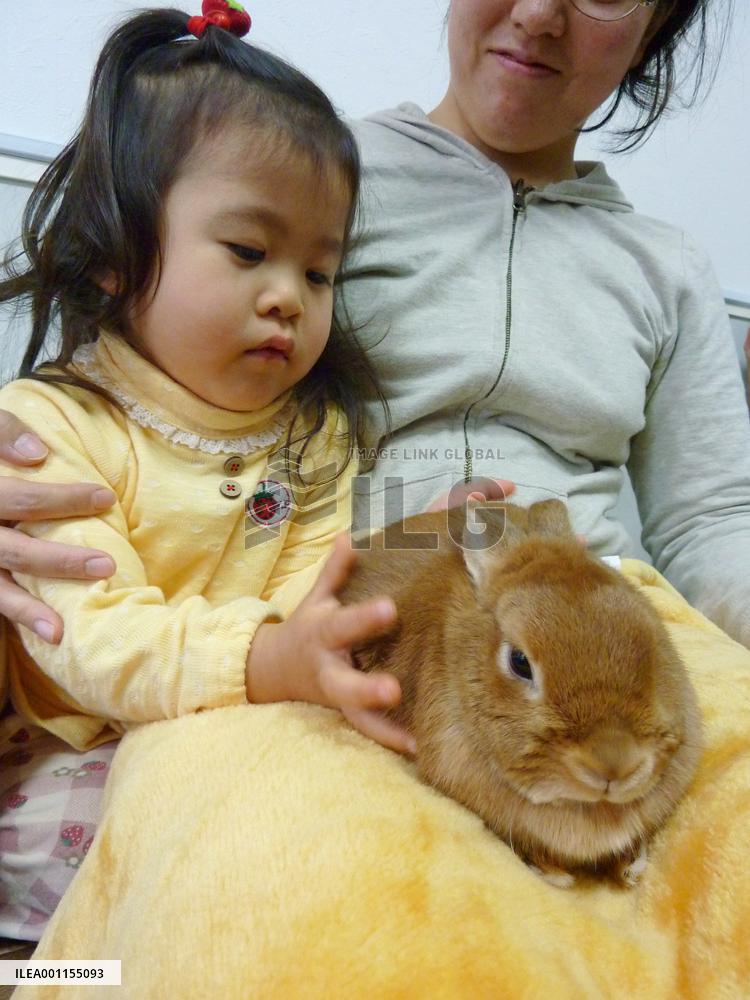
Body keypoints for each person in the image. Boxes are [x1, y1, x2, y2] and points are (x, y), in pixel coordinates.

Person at [2, 0, 750, 983]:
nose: (538, 14)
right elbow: (133, 372)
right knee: (357, 902)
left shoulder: (670, 266)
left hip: (615, 614)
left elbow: (712, 518)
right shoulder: (303, 172)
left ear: (657, 27)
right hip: (359, 634)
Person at [0, 3, 429, 938]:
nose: (288, 298)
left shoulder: (314, 437)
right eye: (247, 252)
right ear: (117, 253)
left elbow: (308, 600)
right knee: (95, 915)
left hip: (235, 725)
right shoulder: (47, 431)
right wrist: (266, 660)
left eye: (320, 274)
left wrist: (406, 563)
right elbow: (93, 641)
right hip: (78, 747)